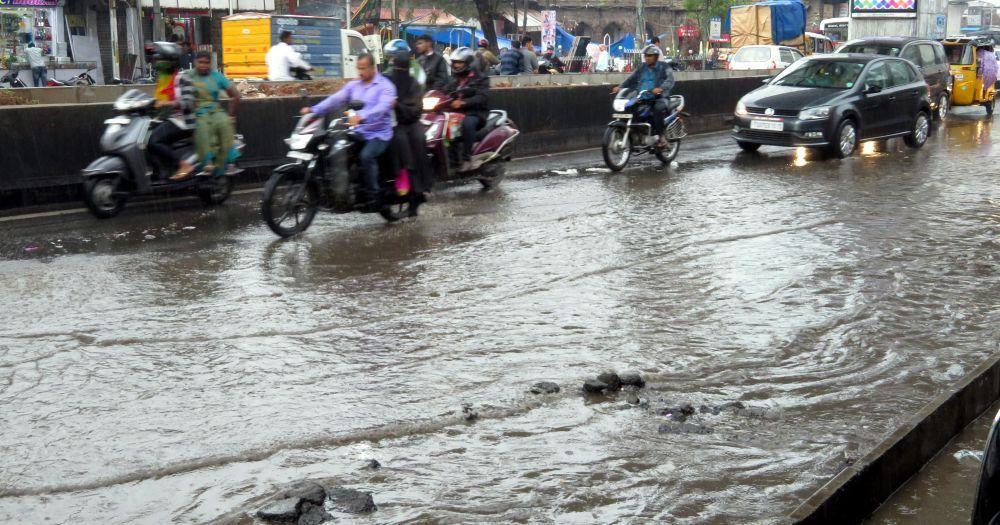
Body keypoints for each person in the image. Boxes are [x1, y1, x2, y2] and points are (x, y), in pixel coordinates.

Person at [303, 53, 395, 208]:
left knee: (366, 156)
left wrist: (362, 116)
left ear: (373, 68)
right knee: (332, 148)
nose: (360, 72)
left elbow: (382, 107)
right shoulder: (355, 85)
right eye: (358, 68)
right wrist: (314, 110)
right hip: (358, 131)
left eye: (363, 68)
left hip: (379, 133)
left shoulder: (385, 86)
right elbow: (336, 99)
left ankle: (375, 195)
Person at [179, 51, 241, 180]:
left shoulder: (217, 76)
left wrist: (231, 115)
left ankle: (230, 163)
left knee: (225, 124)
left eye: (206, 63)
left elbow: (235, 95)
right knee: (203, 128)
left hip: (215, 110)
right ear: (195, 63)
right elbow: (180, 94)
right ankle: (207, 163)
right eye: (200, 62)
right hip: (197, 112)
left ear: (211, 64)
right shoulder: (187, 76)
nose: (203, 65)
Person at [384, 41, 430, 214]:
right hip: (389, 122)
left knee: (415, 144)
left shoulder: (415, 81)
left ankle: (418, 189)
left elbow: (415, 110)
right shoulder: (385, 79)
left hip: (410, 123)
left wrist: (398, 106)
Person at [146, 42, 197, 180]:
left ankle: (183, 164)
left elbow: (188, 102)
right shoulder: (163, 79)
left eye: (162, 62)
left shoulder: (182, 78)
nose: (159, 64)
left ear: (171, 62)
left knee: (154, 141)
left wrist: (168, 104)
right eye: (157, 61)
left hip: (183, 120)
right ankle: (160, 169)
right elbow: (156, 100)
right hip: (168, 119)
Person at [611, 44, 675, 149]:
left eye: (650, 56)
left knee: (657, 110)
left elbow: (670, 80)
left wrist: (660, 88)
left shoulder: (664, 67)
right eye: (646, 56)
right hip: (643, 97)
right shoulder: (642, 67)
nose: (647, 58)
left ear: (655, 57)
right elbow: (631, 79)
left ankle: (661, 137)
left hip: (660, 97)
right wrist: (620, 87)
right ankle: (637, 134)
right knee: (631, 108)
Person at [443, 47, 489, 172]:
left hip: (476, 113)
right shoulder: (453, 79)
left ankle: (467, 159)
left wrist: (463, 102)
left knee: (467, 123)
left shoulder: (480, 78)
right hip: (456, 113)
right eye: (455, 62)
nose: (456, 65)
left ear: (468, 63)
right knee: (443, 125)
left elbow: (482, 97)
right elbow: (445, 91)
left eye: (460, 62)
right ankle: (452, 161)